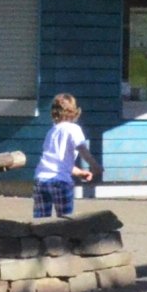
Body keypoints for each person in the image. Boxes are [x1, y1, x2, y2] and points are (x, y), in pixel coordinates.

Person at [34, 93, 94, 222]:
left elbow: (57, 162)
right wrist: (95, 165)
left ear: (54, 113)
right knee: (65, 221)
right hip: (61, 182)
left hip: (41, 179)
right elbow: (82, 149)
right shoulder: (74, 129)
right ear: (74, 112)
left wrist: (79, 172)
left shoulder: (52, 132)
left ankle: (39, 235)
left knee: (41, 222)